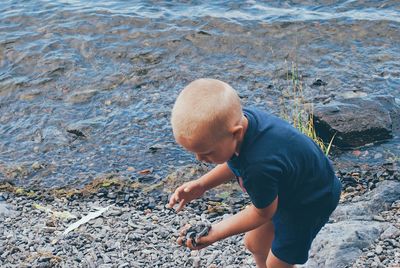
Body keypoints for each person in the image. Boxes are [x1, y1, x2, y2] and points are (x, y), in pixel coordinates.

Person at [167, 78, 341, 268]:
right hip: (291, 184)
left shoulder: (258, 166)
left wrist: (214, 233)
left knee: (278, 264)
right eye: (194, 152)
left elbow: (262, 213)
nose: (199, 159)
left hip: (310, 201)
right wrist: (202, 184)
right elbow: (235, 163)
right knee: (255, 243)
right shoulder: (241, 124)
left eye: (207, 153)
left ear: (236, 133)